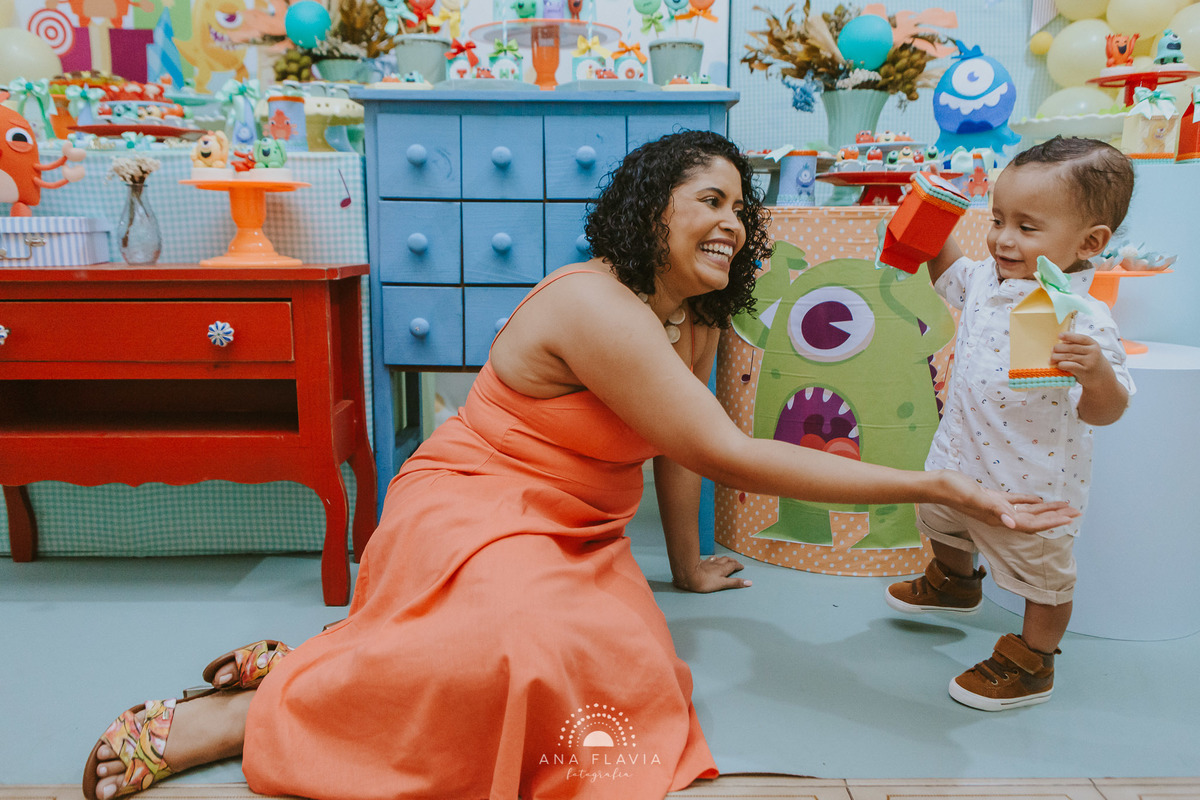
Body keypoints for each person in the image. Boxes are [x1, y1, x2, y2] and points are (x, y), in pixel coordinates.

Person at [84, 131, 1080, 800]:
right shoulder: (593, 304)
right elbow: (727, 450)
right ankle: (244, 714)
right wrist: (936, 486)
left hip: (577, 527)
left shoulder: (693, 315)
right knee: (511, 653)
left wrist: (686, 567)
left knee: (613, 673)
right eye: (710, 200)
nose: (734, 222)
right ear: (651, 211)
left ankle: (329, 659)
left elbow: (679, 449)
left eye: (743, 207)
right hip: (470, 504)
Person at [884, 136, 1136, 712]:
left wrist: (1096, 373)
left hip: (1029, 486)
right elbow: (946, 267)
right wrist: (933, 207)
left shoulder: (1082, 319)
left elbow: (1106, 411)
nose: (1002, 239)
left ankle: (1034, 660)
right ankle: (954, 584)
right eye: (997, 219)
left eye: (1026, 227)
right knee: (942, 519)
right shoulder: (985, 279)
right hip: (958, 457)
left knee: (1041, 576)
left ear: (1090, 242)